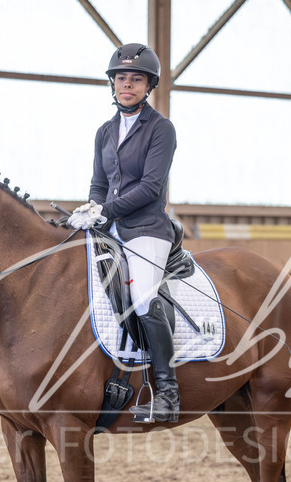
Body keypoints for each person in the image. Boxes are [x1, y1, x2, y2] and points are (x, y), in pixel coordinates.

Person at [68, 43, 180, 423]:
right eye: (120, 78)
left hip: (146, 229)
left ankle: (167, 390)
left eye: (135, 79)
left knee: (145, 296)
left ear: (148, 86)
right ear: (112, 84)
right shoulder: (105, 131)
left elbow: (151, 187)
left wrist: (105, 211)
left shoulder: (161, 129)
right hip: (108, 227)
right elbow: (99, 183)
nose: (126, 84)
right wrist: (90, 207)